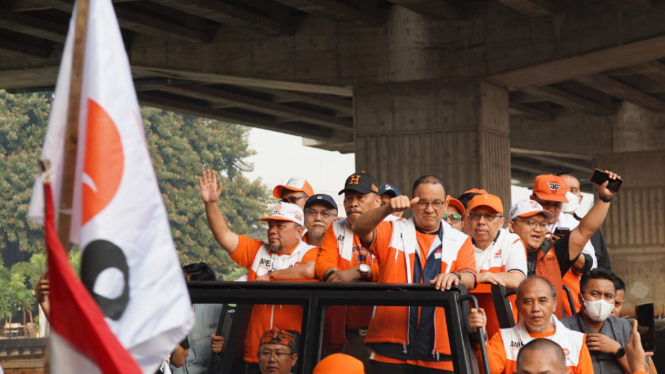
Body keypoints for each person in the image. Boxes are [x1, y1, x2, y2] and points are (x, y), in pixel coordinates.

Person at [353, 175, 477, 373]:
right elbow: (359, 227)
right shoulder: (392, 228)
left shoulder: (460, 240)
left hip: (442, 353)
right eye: (422, 202)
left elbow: (469, 277)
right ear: (412, 202)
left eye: (436, 203)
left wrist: (456, 276)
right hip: (390, 350)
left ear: (445, 204)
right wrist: (387, 209)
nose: (429, 209)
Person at [199, 170, 319, 372]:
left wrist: (271, 277)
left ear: (299, 231)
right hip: (255, 354)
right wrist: (211, 204)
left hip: (292, 357)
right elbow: (223, 235)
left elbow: (309, 271)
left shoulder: (311, 253)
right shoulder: (257, 250)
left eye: (280, 225)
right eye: (270, 225)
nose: (272, 230)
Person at [507, 171, 620, 318]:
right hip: (508, 330)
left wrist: (605, 198)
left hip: (551, 326)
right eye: (531, 223)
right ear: (511, 226)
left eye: (542, 225)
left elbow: (585, 230)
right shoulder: (501, 246)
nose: (538, 228)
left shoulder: (554, 251)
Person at [315, 172, 382, 371]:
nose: (353, 203)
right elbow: (323, 263)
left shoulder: (394, 228)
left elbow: (397, 270)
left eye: (360, 198)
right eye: (348, 198)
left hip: (384, 330)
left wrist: (359, 272)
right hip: (348, 331)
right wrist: (333, 275)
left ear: (378, 201)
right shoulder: (336, 228)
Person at [467, 276, 593, 374]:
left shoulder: (576, 341)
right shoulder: (504, 338)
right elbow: (490, 371)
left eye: (542, 301)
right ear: (518, 306)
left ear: (554, 304)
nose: (535, 308)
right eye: (528, 301)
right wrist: (480, 335)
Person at [530, 174, 597, 317]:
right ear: (533, 199)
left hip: (568, 306)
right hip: (530, 304)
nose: (551, 209)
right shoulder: (519, 222)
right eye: (545, 202)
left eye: (557, 204)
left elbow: (590, 265)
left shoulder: (573, 225)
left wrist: (567, 248)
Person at [562, 269, 649, 374]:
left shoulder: (622, 327)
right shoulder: (563, 330)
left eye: (608, 296)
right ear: (580, 298)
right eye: (595, 294)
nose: (601, 301)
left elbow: (643, 370)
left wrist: (618, 350)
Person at [466, 193, 527, 336]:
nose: (481, 221)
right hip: (465, 325)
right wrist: (481, 277)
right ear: (468, 220)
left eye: (489, 216)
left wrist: (473, 277)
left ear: (501, 222)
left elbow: (517, 279)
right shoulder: (460, 242)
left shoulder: (512, 241)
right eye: (476, 216)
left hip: (504, 330)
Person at [172, 262, 232, 374]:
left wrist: (222, 350)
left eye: (187, 287)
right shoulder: (165, 311)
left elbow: (236, 357)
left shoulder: (220, 310)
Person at [557, 172, 611, 270]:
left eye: (573, 190)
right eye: (562, 189)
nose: (567, 195)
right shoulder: (541, 226)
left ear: (580, 198)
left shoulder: (591, 230)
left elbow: (603, 267)